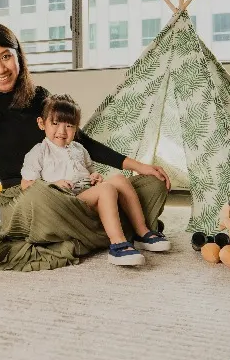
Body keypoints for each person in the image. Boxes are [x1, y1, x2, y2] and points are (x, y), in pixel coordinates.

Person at [0, 22, 170, 272]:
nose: (0, 68)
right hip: (29, 198)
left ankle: (115, 229)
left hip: (71, 192)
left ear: (18, 55)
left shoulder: (39, 97)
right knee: (42, 192)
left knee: (150, 184)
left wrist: (139, 166)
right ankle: (113, 228)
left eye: (6, 56)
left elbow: (82, 142)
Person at [20, 93, 171, 266]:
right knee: (107, 189)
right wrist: (53, 185)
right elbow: (26, 185)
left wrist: (95, 177)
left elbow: (91, 172)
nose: (62, 131)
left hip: (87, 197)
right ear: (42, 123)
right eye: (55, 123)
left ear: (76, 128)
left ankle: (142, 232)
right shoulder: (39, 152)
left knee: (119, 179)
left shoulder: (79, 149)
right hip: (65, 202)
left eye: (69, 126)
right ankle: (118, 244)